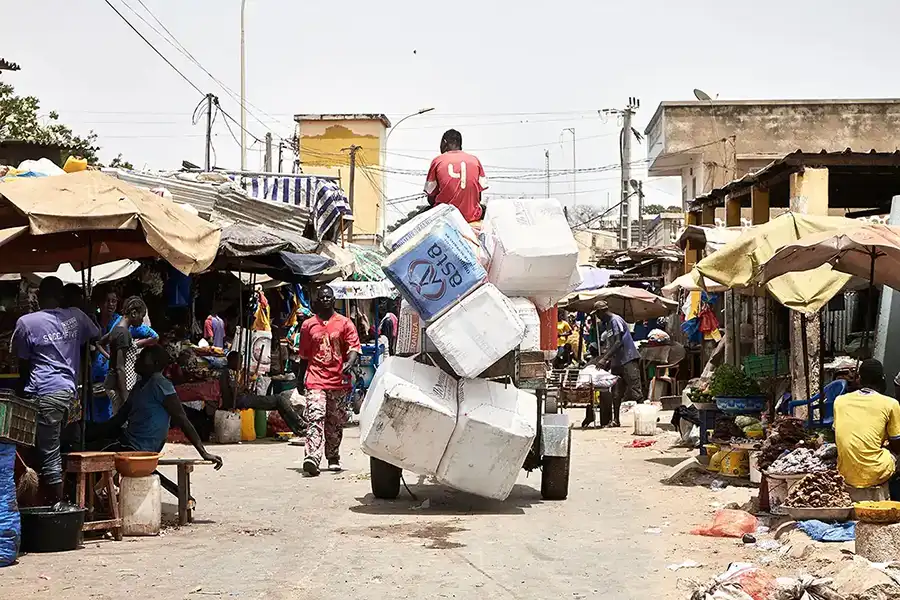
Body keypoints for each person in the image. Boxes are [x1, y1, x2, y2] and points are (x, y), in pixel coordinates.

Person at [12, 276, 100, 502]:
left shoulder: (27, 322)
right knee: (60, 447)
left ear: (39, 296)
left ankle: (57, 506)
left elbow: (22, 362)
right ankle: (62, 497)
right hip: (70, 396)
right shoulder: (76, 317)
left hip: (44, 393)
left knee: (47, 454)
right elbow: (96, 333)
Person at [87, 345, 222, 468]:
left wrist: (203, 452)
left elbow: (182, 420)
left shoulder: (160, 384)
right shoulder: (139, 386)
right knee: (88, 441)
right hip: (128, 440)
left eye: (143, 357)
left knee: (89, 453)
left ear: (155, 364)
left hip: (137, 447)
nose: (137, 359)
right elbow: (118, 420)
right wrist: (90, 430)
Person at [297, 285, 360, 476]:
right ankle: (312, 457)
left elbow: (354, 347)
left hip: (338, 380)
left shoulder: (345, 323)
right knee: (315, 416)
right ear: (317, 300)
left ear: (334, 300)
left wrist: (349, 362)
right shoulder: (308, 325)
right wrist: (300, 378)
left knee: (335, 421)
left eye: (328, 297)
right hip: (315, 378)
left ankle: (333, 457)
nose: (325, 300)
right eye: (322, 297)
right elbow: (304, 355)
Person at [833, 359, 900, 501]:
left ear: (859, 379)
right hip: (875, 472)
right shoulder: (891, 404)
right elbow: (897, 444)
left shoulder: (839, 401)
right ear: (882, 379)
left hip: (845, 473)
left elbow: (840, 434)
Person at [219, 351, 306, 438]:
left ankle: (299, 428)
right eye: (239, 360)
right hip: (241, 401)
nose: (241, 363)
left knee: (279, 403)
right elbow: (235, 392)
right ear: (232, 361)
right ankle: (300, 424)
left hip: (241, 399)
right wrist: (246, 385)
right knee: (278, 399)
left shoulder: (227, 372)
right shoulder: (229, 373)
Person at [592, 300, 642, 427]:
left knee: (636, 390)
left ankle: (643, 418)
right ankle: (616, 420)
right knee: (616, 393)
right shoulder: (608, 324)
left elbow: (618, 342)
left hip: (628, 359)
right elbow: (611, 345)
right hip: (617, 362)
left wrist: (605, 359)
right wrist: (605, 358)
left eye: (597, 313)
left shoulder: (615, 320)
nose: (597, 317)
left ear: (601, 311)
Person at [423, 129, 488, 223]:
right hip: (471, 216)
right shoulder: (474, 160)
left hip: (445, 216)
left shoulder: (438, 161)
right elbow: (479, 197)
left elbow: (431, 197)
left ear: (444, 142)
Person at [105, 296, 148, 413]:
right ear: (134, 313)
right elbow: (120, 368)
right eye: (141, 317)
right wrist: (125, 398)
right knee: (122, 421)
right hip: (118, 386)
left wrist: (110, 358)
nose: (142, 321)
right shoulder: (124, 334)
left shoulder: (117, 328)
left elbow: (100, 343)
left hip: (113, 383)